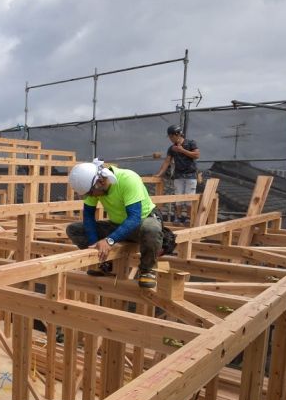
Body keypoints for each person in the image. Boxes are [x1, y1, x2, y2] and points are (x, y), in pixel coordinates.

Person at [65, 159, 163, 288]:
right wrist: (95, 242)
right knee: (74, 229)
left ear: (100, 181)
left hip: (141, 223)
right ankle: (105, 263)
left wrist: (109, 240)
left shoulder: (128, 179)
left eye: (90, 193)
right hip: (117, 225)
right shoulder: (93, 185)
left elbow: (134, 218)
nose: (91, 197)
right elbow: (88, 216)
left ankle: (147, 270)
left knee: (151, 229)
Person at [156, 123, 200, 223]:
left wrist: (182, 150)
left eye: (171, 136)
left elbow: (197, 155)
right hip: (178, 175)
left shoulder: (190, 143)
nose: (170, 139)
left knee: (190, 198)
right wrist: (160, 173)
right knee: (178, 197)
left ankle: (189, 218)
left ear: (177, 134)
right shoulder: (171, 148)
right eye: (170, 137)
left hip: (190, 175)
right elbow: (167, 161)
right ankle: (179, 217)